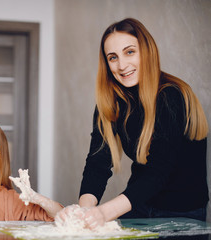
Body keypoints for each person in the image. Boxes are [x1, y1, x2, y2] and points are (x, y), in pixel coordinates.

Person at [57, 18, 209, 228]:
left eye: (130, 52)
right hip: (139, 204)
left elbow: (159, 171)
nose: (121, 65)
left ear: (147, 51)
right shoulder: (111, 102)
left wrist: (103, 213)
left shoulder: (171, 95)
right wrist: (84, 210)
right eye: (112, 57)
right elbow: (97, 163)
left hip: (181, 212)